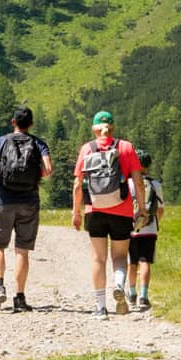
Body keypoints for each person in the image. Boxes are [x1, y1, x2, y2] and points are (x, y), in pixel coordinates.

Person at [71, 111, 146, 318]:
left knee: (98, 258)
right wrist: (142, 208)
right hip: (121, 210)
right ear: (112, 128)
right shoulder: (126, 147)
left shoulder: (87, 149)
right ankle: (120, 285)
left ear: (94, 129)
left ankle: (100, 307)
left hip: (94, 210)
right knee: (120, 256)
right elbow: (138, 181)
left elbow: (78, 184)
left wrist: (76, 212)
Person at [0, 106, 52, 312]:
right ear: (30, 124)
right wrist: (34, 177)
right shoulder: (39, 143)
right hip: (29, 200)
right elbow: (48, 169)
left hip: (4, 200)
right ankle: (19, 298)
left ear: (13, 122)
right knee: (22, 249)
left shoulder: (0, 141)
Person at [127, 149, 164, 310]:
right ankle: (144, 295)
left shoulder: (128, 183)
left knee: (132, 262)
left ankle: (131, 292)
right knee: (145, 261)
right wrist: (154, 223)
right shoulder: (155, 184)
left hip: (132, 229)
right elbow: (160, 209)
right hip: (150, 228)